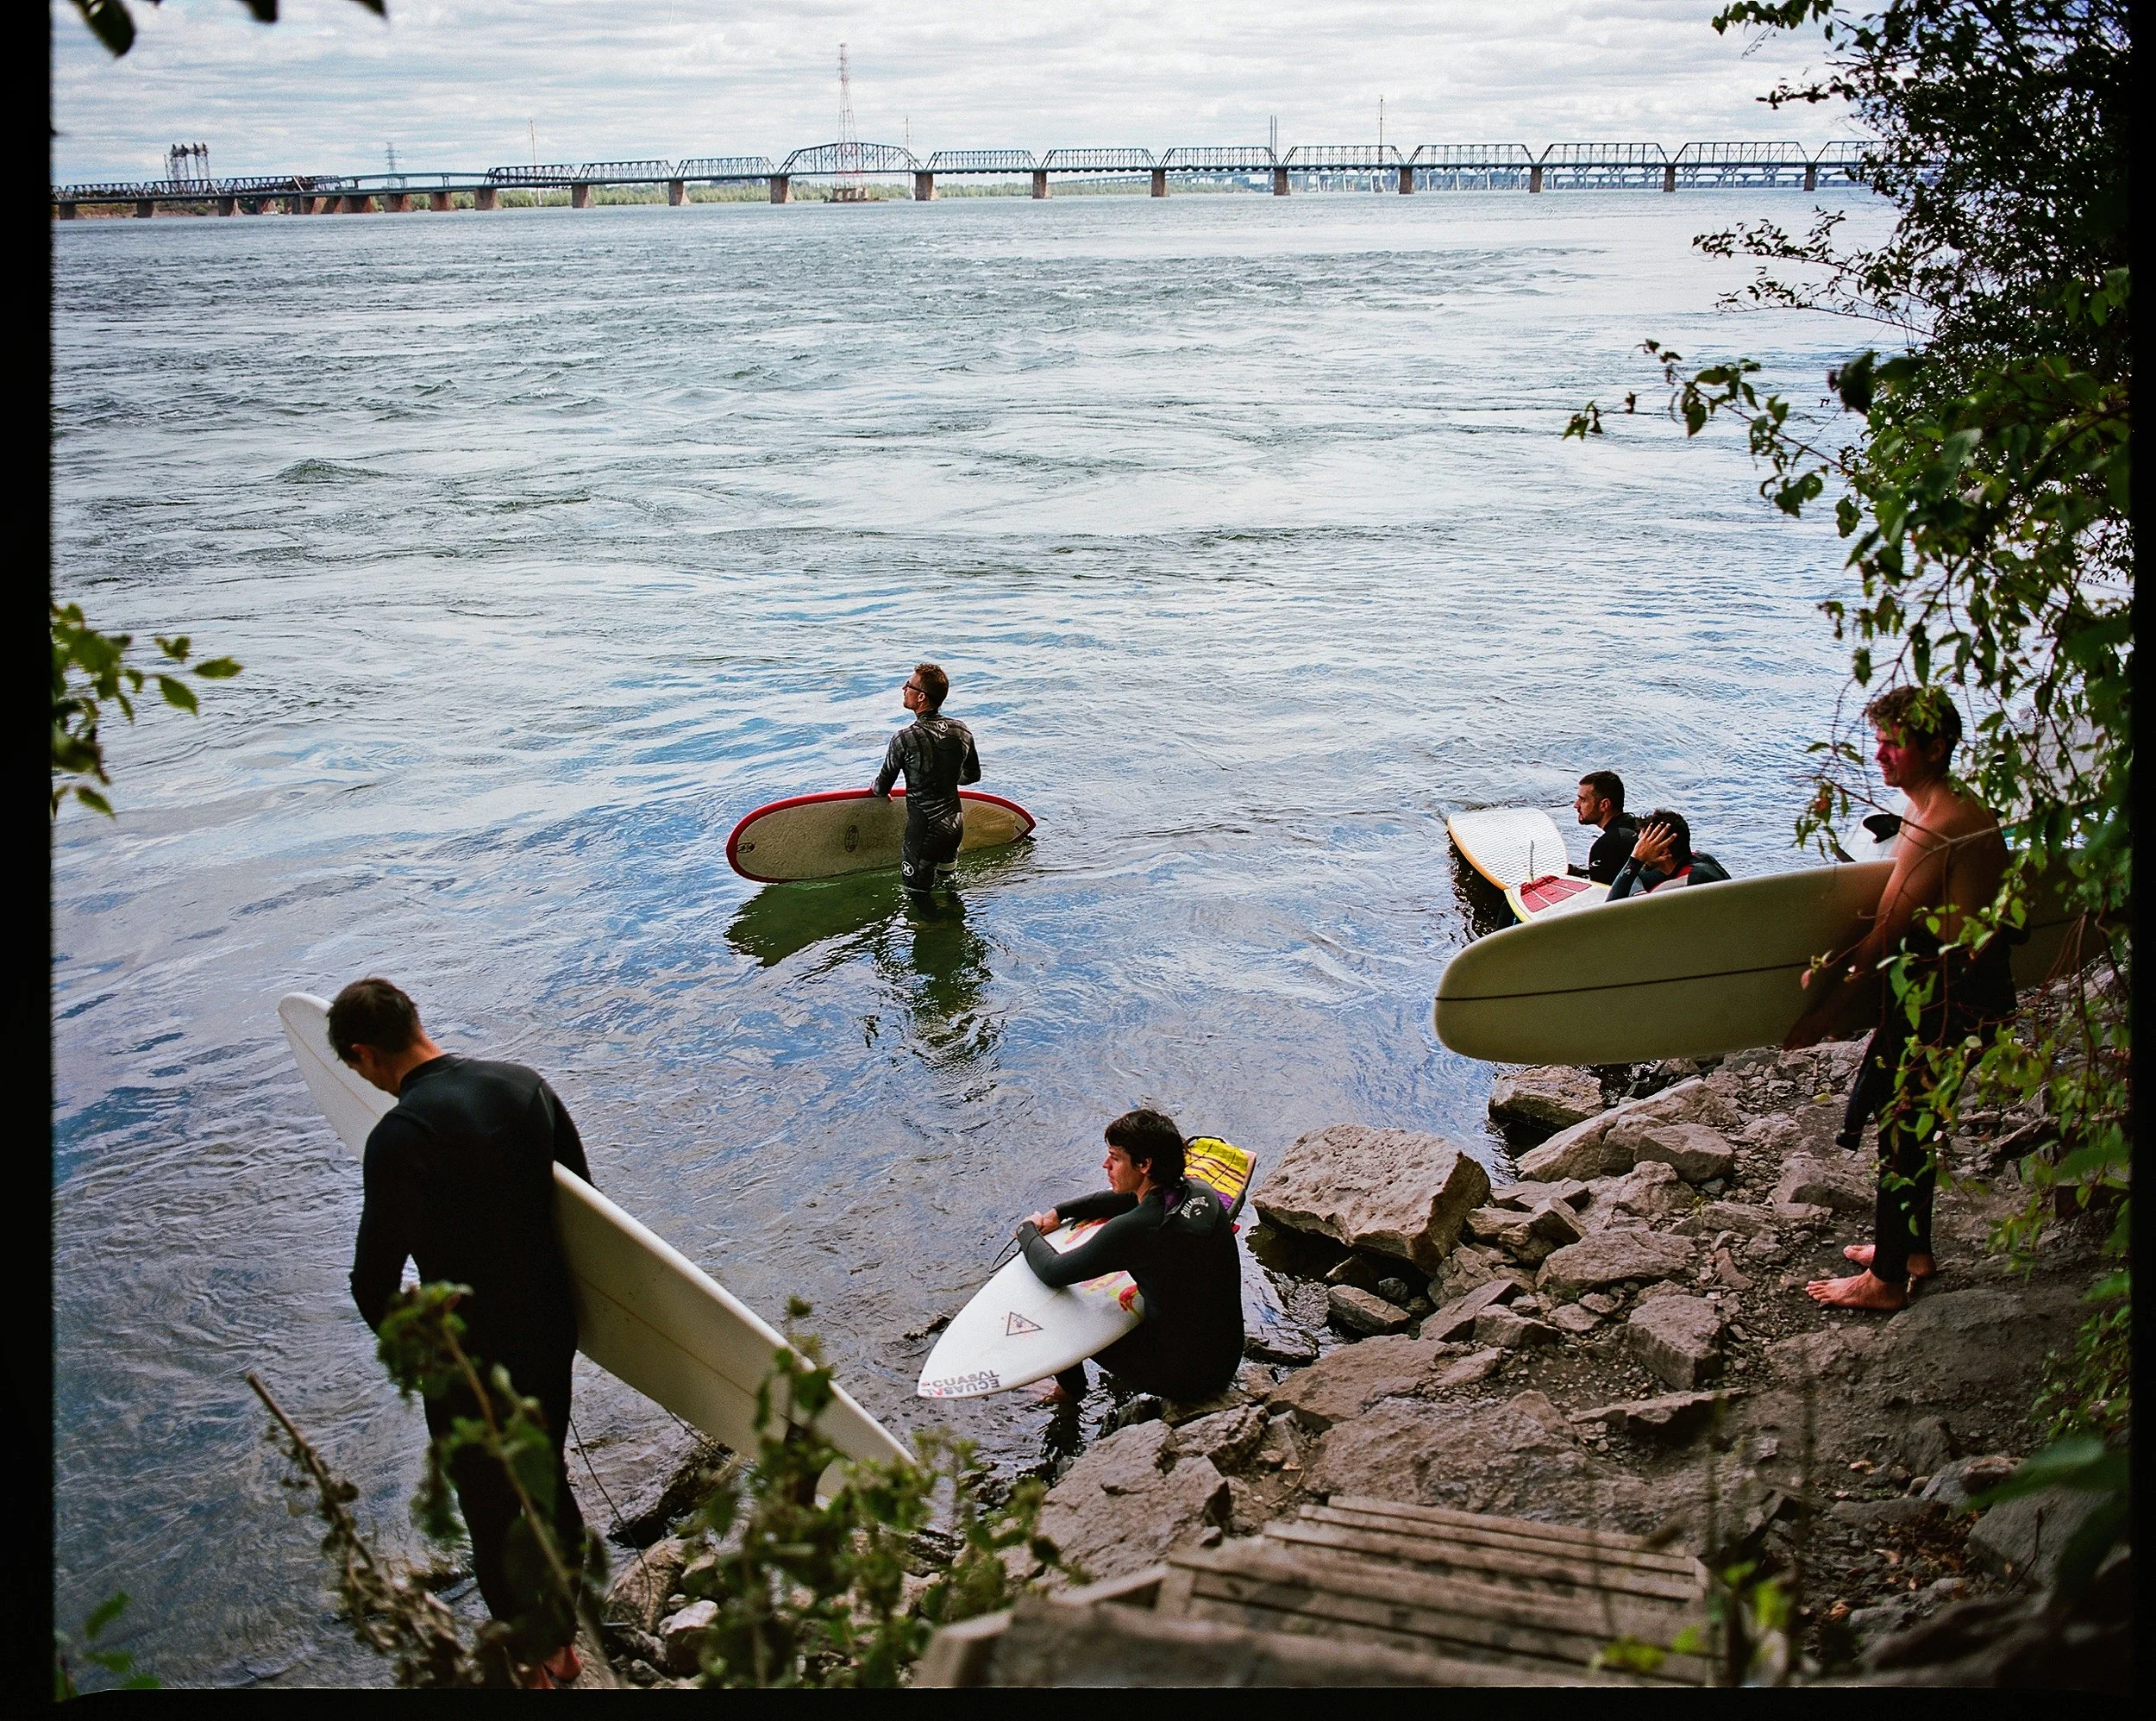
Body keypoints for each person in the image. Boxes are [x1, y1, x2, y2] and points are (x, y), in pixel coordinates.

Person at [335, 977, 591, 1687]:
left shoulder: (400, 1136)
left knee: (487, 1505)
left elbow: (372, 1281)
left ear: (364, 1054)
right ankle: (566, 1638)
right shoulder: (523, 1085)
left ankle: (537, 1657)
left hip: (470, 1350)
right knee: (545, 1479)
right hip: (548, 1328)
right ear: (415, 1020)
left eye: (357, 1070)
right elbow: (591, 1219)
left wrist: (417, 1348)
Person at [1784, 687, 2015, 1312]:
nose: (1881, 755)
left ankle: (1885, 1281)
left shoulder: (1937, 826)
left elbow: (1884, 933)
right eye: (1879, 741)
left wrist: (1823, 1015)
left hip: (1951, 999)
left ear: (1935, 748)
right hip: (1969, 990)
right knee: (1911, 1123)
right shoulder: (1953, 805)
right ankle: (1911, 1251)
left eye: (1894, 743)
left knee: (1904, 1128)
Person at [1014, 1109, 1243, 1408]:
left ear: (1145, 1164)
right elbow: (1127, 1200)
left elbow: (1053, 1270)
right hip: (1227, 1357)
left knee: (1061, 1306)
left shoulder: (1136, 1228)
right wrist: (1062, 1211)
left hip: (1188, 1379)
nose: (1105, 1164)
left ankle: (1071, 1393)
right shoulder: (1201, 1191)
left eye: (1115, 1158)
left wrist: (1026, 1231)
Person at [872, 661, 981, 895]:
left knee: (917, 897)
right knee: (949, 890)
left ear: (921, 697)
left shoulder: (904, 738)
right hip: (954, 825)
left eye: (908, 685)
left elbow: (882, 787)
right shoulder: (961, 730)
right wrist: (945, 777)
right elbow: (973, 775)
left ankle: (931, 927)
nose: (904, 688)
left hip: (924, 833)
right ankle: (952, 927)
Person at [1606, 809, 1732, 899]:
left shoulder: (1682, 884)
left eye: (1642, 844)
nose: (1638, 849)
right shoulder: (1702, 859)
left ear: (1664, 851)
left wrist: (1636, 859)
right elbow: (1636, 876)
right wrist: (1638, 893)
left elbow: (1610, 910)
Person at [1570, 771, 1640, 886]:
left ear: (1604, 805)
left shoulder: (1606, 846)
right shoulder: (1636, 826)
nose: (1576, 805)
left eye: (1583, 800)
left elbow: (1601, 897)